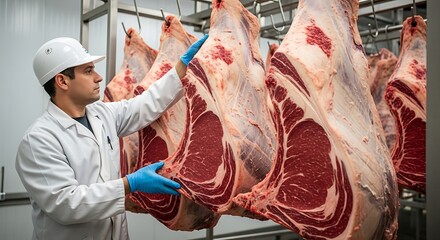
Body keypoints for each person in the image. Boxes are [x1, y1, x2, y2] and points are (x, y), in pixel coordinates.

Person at [15, 34, 208, 240]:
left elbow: (145, 105)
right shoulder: (39, 140)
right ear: (62, 81)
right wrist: (130, 184)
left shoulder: (101, 114)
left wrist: (182, 68)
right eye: (88, 71)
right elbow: (66, 204)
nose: (98, 77)